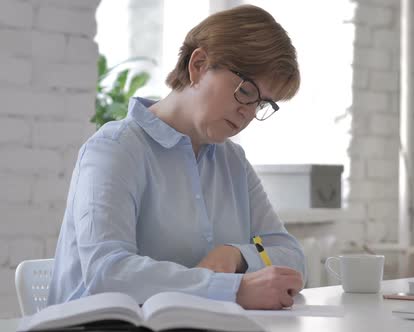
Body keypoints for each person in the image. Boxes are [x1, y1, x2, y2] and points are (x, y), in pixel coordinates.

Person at [47, 5, 305, 310]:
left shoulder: (232, 161)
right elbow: (108, 273)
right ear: (198, 65)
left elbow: (291, 256)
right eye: (246, 91)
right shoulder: (114, 149)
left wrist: (235, 254)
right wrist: (232, 289)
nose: (248, 112)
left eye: (262, 103)